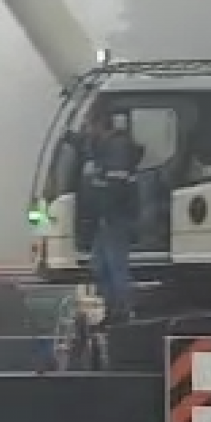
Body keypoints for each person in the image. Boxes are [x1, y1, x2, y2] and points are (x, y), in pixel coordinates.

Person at [82, 109, 145, 322]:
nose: (87, 130)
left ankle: (124, 310)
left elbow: (116, 186)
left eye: (89, 126)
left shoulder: (116, 148)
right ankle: (111, 306)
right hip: (106, 218)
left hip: (115, 217)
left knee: (115, 265)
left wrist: (104, 212)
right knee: (99, 265)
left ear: (100, 124)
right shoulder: (104, 147)